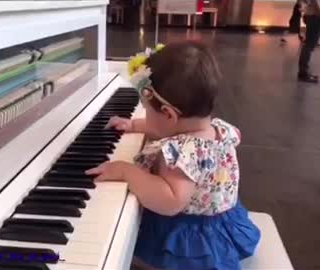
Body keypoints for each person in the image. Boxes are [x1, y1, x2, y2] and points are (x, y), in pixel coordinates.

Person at [85, 41, 261, 270]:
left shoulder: (181, 153)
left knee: (123, 256)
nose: (146, 116)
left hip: (190, 244)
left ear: (168, 114)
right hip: (220, 224)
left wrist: (125, 171)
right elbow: (162, 127)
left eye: (147, 111)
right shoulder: (217, 128)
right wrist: (133, 125)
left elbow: (170, 202)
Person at [298, 0, 320, 83]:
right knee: (309, 46)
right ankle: (303, 74)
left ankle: (303, 73)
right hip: (316, 17)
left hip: (313, 16)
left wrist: (305, 8)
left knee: (308, 45)